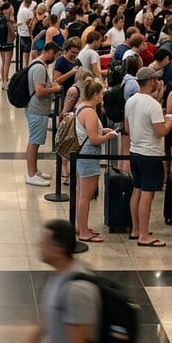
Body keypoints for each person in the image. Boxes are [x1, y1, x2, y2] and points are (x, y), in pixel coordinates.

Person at [20, 219, 103, 343]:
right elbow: (54, 313)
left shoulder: (77, 289)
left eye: (43, 242)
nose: (38, 245)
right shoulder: (60, 275)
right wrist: (33, 339)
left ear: (57, 249)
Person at [125, 67, 172, 247]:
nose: (157, 83)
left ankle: (135, 229)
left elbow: (127, 127)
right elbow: (161, 131)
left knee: (137, 190)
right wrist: (170, 121)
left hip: (135, 150)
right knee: (147, 194)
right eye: (156, 80)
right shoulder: (153, 105)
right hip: (150, 153)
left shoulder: (131, 101)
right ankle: (144, 235)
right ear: (150, 81)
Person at [73, 79, 118, 242]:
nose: (102, 97)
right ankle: (84, 232)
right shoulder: (90, 112)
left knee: (81, 194)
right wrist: (108, 136)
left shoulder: (81, 107)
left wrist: (103, 130)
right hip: (89, 155)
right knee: (86, 195)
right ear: (95, 95)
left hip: (81, 154)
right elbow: (94, 139)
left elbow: (89, 131)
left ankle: (81, 226)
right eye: (101, 94)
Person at [25, 41, 63, 186]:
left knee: (36, 142)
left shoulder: (37, 64)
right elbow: (39, 91)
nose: (54, 58)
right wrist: (55, 89)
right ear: (48, 51)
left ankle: (34, 170)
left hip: (37, 109)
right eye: (55, 54)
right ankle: (31, 174)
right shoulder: (39, 68)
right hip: (37, 109)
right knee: (34, 142)